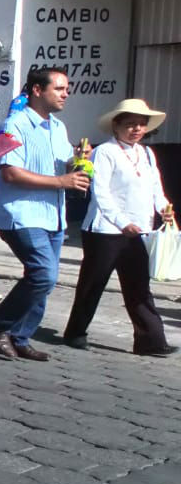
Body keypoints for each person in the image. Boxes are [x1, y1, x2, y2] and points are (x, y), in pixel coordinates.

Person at [0, 67, 88, 361]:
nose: (65, 94)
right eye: (59, 88)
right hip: (22, 214)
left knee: (46, 278)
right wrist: (61, 182)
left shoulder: (58, 127)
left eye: (67, 88)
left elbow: (63, 166)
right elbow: (11, 173)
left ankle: (21, 335)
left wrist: (78, 163)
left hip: (53, 215)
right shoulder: (13, 125)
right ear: (37, 90)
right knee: (43, 273)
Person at [64, 99, 175, 357]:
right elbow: (101, 193)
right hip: (105, 231)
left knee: (138, 285)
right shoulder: (105, 152)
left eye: (141, 124)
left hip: (139, 230)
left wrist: (164, 209)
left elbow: (155, 188)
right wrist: (122, 222)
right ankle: (76, 332)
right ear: (116, 126)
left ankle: (151, 340)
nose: (136, 129)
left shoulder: (146, 153)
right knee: (93, 283)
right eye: (130, 124)